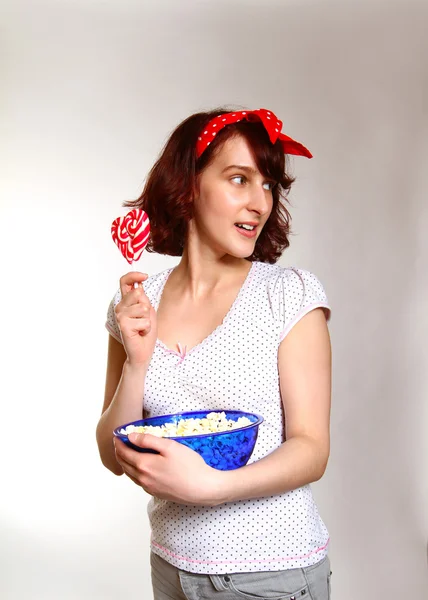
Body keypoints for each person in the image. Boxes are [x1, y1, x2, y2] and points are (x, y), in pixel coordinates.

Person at [96, 107, 333, 600]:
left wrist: (209, 488)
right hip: (171, 566)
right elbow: (111, 453)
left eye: (267, 185)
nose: (258, 203)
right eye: (238, 179)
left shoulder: (288, 295)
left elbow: (311, 449)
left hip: (270, 575)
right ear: (188, 186)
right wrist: (137, 362)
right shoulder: (136, 303)